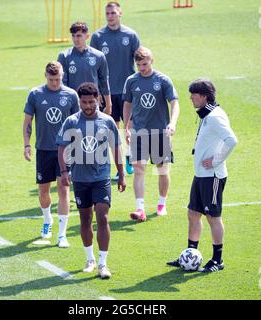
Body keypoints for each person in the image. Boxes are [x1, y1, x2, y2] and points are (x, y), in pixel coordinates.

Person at [166, 78, 238, 273]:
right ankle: (190, 255)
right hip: (201, 175)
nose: (190, 98)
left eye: (194, 95)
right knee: (193, 214)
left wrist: (216, 160)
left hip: (212, 176)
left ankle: (217, 260)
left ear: (204, 97)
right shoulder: (207, 114)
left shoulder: (215, 116)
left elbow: (232, 140)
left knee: (212, 217)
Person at [57, 82, 126, 279]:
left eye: (91, 102)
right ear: (79, 101)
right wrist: (64, 171)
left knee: (103, 216)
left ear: (98, 100)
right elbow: (61, 148)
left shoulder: (107, 121)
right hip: (80, 178)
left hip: (101, 177)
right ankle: (90, 259)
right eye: (84, 102)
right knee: (85, 219)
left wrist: (121, 175)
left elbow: (116, 149)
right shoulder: (71, 122)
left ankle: (103, 264)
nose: (87, 106)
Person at [23, 61, 79, 248]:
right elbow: (28, 121)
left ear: (62, 76)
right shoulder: (35, 94)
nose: (55, 83)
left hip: (66, 150)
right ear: (45, 76)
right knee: (44, 191)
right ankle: (47, 220)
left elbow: (78, 123)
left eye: (58, 79)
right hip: (44, 150)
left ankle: (62, 235)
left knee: (64, 190)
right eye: (51, 79)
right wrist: (26, 144)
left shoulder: (71, 95)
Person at [122, 47, 180, 222]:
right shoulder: (131, 81)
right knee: (139, 170)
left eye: (145, 64)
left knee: (162, 170)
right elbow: (127, 105)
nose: (142, 68)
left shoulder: (163, 80)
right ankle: (140, 209)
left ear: (152, 61)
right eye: (139, 65)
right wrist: (126, 127)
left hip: (160, 132)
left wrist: (172, 123)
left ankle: (162, 204)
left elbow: (175, 104)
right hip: (139, 132)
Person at [90, 1, 141, 177]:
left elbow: (141, 61)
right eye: (108, 13)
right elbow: (93, 66)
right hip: (107, 93)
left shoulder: (131, 35)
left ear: (120, 13)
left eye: (113, 13)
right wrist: (97, 92)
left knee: (129, 129)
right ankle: (116, 169)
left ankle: (129, 159)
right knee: (112, 131)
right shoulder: (97, 37)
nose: (110, 16)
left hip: (128, 92)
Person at [57, 21, 112, 116]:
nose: (75, 39)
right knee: (74, 130)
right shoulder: (64, 56)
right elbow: (62, 83)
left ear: (87, 36)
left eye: (78, 36)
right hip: (72, 104)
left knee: (91, 129)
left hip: (92, 102)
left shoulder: (98, 56)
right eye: (73, 36)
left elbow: (104, 80)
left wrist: (108, 103)